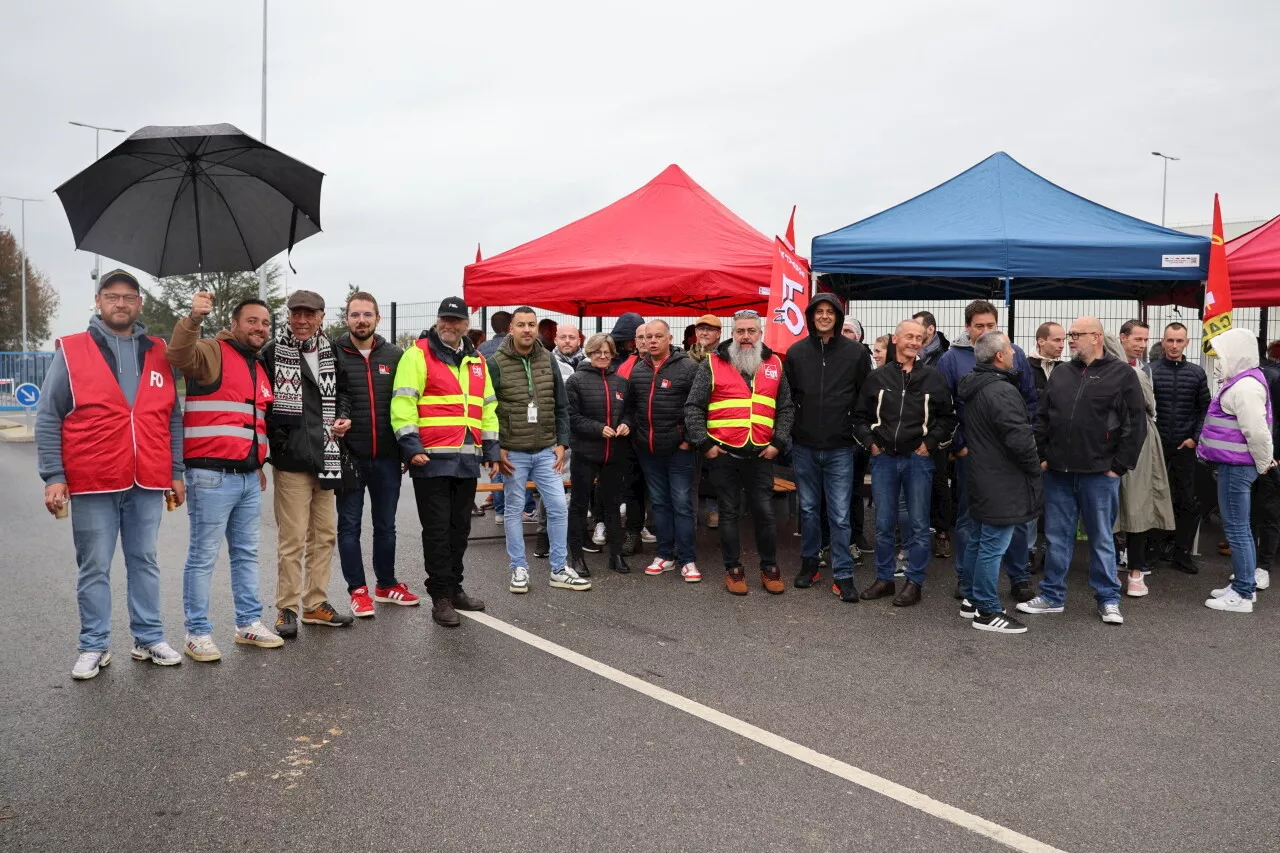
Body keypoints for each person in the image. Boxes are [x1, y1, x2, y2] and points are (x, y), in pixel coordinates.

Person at [37, 269, 186, 679]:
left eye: (129, 297)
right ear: (98, 301)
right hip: (92, 479)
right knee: (95, 567)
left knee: (145, 561)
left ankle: (148, 637)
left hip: (147, 480)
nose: (121, 303)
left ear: (139, 303)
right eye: (112, 296)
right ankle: (94, 645)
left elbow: (173, 417)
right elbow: (49, 416)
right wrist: (53, 475)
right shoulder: (71, 350)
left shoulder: (160, 350)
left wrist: (176, 471)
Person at [166, 291, 284, 662]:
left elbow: (253, 421)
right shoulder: (211, 350)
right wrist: (194, 318)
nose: (259, 328)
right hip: (210, 476)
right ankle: (196, 632)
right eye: (251, 321)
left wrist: (258, 465)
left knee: (247, 554)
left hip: (249, 478)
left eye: (265, 322)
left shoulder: (258, 364)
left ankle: (248, 622)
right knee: (203, 556)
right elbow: (178, 355)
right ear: (233, 324)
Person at [1019, 317, 1145, 626]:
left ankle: (1108, 599)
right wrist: (1044, 456)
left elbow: (1136, 424)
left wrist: (1119, 467)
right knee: (1057, 537)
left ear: (1097, 337)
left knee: (1102, 538)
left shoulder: (1122, 375)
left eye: (1077, 334)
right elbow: (1042, 418)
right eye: (1070, 334)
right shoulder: (1061, 373)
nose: (1071, 339)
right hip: (1058, 473)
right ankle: (1052, 596)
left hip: (1100, 475)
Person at [391, 297, 499, 626]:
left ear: (467, 325)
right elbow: (403, 403)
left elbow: (488, 407)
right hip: (431, 459)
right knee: (437, 531)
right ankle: (439, 595)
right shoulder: (417, 354)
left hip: (466, 460)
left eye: (456, 320)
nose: (449, 325)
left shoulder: (478, 360)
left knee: (460, 529)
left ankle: (454, 588)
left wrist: (492, 448)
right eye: (444, 319)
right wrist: (411, 446)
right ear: (438, 320)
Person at [264, 290, 354, 636]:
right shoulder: (273, 352)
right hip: (293, 461)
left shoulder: (331, 351)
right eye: (295, 314)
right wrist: (282, 443)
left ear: (321, 316)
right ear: (288, 316)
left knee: (325, 535)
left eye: (309, 314)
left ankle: (315, 603)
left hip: (328, 455)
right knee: (293, 539)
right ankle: (286, 608)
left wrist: (344, 416)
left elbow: (344, 392)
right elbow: (267, 403)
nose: (301, 321)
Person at [936, 300, 1039, 603]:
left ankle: (1019, 577)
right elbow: (946, 408)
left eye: (990, 326)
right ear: (967, 327)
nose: (984, 330)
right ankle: (966, 580)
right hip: (973, 455)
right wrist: (960, 446)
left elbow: (1029, 401)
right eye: (978, 325)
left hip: (1011, 456)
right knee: (971, 519)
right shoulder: (951, 359)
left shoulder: (1014, 352)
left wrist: (1025, 439)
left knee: (1017, 517)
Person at [686, 310, 795, 594]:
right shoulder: (711, 363)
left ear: (760, 334)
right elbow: (694, 407)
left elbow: (785, 408)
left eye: (751, 331)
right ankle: (733, 569)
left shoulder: (774, 364)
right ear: (732, 334)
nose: (746, 337)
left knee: (765, 514)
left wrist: (778, 443)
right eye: (740, 331)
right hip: (724, 456)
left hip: (761, 455)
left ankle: (770, 567)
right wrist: (705, 444)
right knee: (729, 514)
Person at [853, 318, 956, 607]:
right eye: (908, 336)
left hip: (918, 460)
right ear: (895, 339)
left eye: (919, 338)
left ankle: (914, 582)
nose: (914, 342)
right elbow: (860, 417)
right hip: (884, 459)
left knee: (920, 525)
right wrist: (871, 444)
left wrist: (930, 444)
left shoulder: (933, 378)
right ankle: (885, 579)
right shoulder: (877, 378)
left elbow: (948, 417)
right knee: (884, 523)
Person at [491, 306, 590, 593]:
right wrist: (496, 447)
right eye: (521, 324)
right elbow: (488, 409)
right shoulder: (494, 363)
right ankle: (518, 568)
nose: (526, 330)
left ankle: (559, 569)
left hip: (547, 449)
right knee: (513, 509)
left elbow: (561, 406)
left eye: (531, 324)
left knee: (559, 506)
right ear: (511, 328)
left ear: (537, 329)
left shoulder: (548, 360)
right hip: (513, 453)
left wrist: (562, 443)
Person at [332, 292, 419, 617]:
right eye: (355, 315)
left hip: (387, 457)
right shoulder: (334, 353)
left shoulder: (396, 356)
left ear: (378, 318)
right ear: (347, 319)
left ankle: (386, 585)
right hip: (348, 457)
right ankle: (357, 591)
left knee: (386, 525)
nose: (361, 320)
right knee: (349, 526)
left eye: (367, 314)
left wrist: (405, 449)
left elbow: (407, 405)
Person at [783, 294, 870, 600]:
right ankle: (810, 564)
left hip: (841, 447)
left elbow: (865, 396)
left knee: (840, 514)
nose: (823, 316)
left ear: (838, 316)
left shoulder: (856, 353)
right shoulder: (795, 353)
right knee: (807, 510)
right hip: (804, 446)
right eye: (818, 311)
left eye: (829, 312)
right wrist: (791, 434)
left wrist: (855, 433)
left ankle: (843, 574)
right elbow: (788, 398)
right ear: (810, 316)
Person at [956, 332, 1040, 633]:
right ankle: (987, 611)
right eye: (1010, 350)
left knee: (979, 540)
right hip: (1002, 480)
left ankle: (971, 598)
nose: (1015, 354)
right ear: (999, 356)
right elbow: (1019, 438)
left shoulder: (975, 385)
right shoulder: (1001, 391)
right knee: (992, 546)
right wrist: (1034, 469)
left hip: (983, 475)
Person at [1199, 328, 1275, 612]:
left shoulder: (1244, 387)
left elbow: (1257, 432)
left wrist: (1264, 461)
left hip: (1237, 468)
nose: (1219, 360)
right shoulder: (1243, 382)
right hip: (1236, 466)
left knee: (1238, 530)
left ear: (1236, 354)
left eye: (1222, 354)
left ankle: (1243, 593)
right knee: (1239, 528)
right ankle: (1243, 585)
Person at [1101, 333, 1174, 598]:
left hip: (1135, 442)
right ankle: (1127, 571)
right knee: (1125, 506)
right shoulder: (1132, 374)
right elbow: (1150, 407)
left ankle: (1132, 570)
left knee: (1133, 506)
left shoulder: (1133, 375)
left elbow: (1149, 408)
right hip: (1123, 442)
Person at [628, 320, 700, 580]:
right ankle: (664, 555)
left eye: (658, 336)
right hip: (648, 450)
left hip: (679, 450)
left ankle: (688, 559)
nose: (653, 341)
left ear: (669, 338)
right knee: (659, 503)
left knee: (681, 504)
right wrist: (636, 436)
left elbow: (698, 406)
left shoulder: (688, 367)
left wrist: (688, 440)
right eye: (648, 337)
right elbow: (632, 407)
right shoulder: (638, 369)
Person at [567, 333, 633, 575]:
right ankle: (576, 557)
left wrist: (627, 424)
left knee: (613, 505)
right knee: (579, 504)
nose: (603, 356)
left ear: (612, 354)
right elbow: (571, 417)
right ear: (590, 353)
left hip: (614, 454)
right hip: (586, 453)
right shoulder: (575, 381)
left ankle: (615, 555)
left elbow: (629, 412)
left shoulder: (621, 382)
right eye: (598, 352)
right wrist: (597, 429)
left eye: (607, 352)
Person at [1146, 322, 1210, 573]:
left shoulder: (1196, 373)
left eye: (1179, 341)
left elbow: (1205, 409)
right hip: (1156, 447)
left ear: (1187, 342)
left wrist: (1195, 437)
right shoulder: (1149, 370)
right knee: (1154, 499)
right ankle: (1152, 550)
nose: (1174, 346)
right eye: (1170, 340)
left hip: (1185, 446)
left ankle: (1182, 552)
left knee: (1187, 500)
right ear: (1163, 342)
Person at [686, 313, 723, 529]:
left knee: (717, 475)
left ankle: (714, 510)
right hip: (693, 425)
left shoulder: (725, 357)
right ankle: (689, 523)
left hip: (719, 426)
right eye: (700, 328)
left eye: (709, 329)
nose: (704, 332)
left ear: (718, 334)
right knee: (692, 477)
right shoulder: (686, 358)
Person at [1028, 322, 1065, 398]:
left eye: (1063, 340)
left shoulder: (1066, 369)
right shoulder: (1025, 367)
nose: (1062, 345)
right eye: (1057, 340)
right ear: (1041, 341)